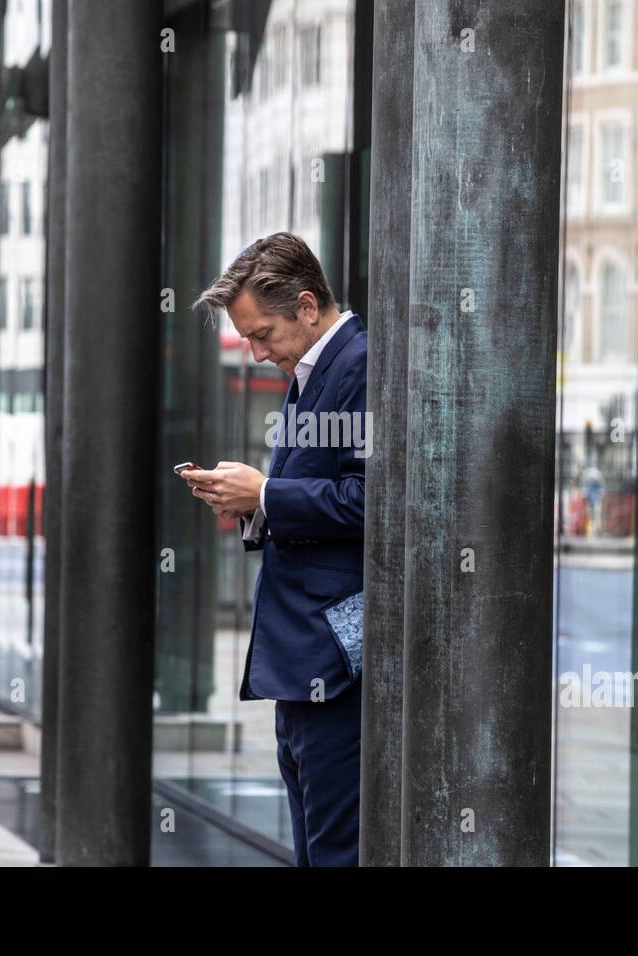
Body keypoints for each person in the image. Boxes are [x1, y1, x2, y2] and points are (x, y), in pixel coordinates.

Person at [183, 232, 367, 867]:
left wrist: (265, 493)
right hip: (303, 659)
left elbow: (371, 501)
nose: (256, 352)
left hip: (334, 661)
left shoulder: (358, 365)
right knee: (314, 846)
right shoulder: (312, 368)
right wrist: (251, 503)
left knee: (334, 848)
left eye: (262, 335)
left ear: (308, 306)